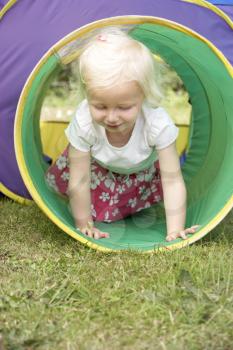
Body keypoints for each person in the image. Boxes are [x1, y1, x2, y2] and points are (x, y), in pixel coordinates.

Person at [45, 27, 199, 240]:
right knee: (79, 197)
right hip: (96, 172)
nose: (111, 117)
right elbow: (79, 179)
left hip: (140, 175)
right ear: (87, 95)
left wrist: (175, 229)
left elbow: (172, 180)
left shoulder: (156, 123)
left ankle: (127, 204)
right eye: (100, 106)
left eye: (124, 107)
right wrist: (84, 225)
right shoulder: (85, 121)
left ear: (143, 95)